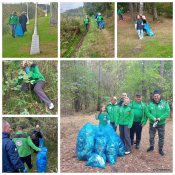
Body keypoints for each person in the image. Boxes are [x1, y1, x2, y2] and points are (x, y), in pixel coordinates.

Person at [147, 90, 170, 156]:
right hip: (152, 123)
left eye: (157, 96)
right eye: (155, 96)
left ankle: (160, 148)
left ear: (159, 95)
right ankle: (151, 146)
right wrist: (153, 118)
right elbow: (147, 112)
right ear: (153, 96)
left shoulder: (165, 103)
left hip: (161, 123)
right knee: (151, 136)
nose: (156, 97)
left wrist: (160, 118)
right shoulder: (150, 104)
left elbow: (167, 112)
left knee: (161, 137)